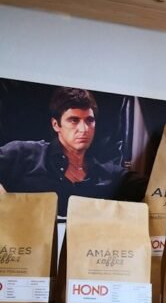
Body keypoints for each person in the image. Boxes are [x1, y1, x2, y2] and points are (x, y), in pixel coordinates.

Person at [0, 86, 145, 216]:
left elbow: (153, 188)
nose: (84, 129)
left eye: (89, 120)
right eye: (74, 120)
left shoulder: (108, 173)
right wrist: (8, 208)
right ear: (56, 125)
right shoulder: (24, 153)